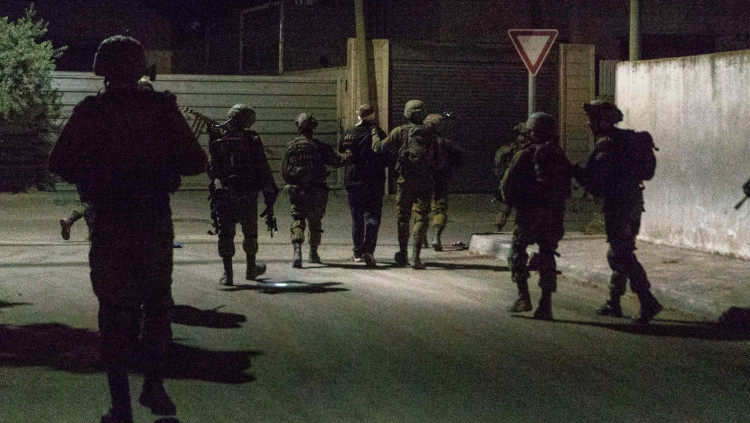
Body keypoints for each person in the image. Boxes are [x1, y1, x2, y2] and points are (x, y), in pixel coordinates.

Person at [48, 35, 207, 423]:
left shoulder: (90, 111)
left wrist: (97, 173)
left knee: (114, 313)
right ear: (139, 68)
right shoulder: (162, 109)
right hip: (152, 221)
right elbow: (195, 162)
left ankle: (120, 405)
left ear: (101, 69)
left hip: (110, 222)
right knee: (157, 306)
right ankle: (153, 385)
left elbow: (59, 163)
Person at [575, 100, 662, 324]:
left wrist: (575, 172)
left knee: (621, 253)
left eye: (592, 119)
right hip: (634, 201)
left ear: (603, 121)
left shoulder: (607, 146)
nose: (588, 124)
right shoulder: (628, 140)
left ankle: (647, 300)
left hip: (619, 204)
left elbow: (595, 182)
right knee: (621, 249)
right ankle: (614, 302)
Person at [501, 112, 572, 320]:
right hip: (553, 214)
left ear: (533, 131)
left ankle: (523, 297)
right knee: (547, 254)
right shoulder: (558, 154)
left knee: (517, 251)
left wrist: (512, 203)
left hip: (529, 213)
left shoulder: (525, 153)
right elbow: (567, 187)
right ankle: (545, 304)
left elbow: (507, 183)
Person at [207, 104, 278, 286]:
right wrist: (269, 192)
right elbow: (262, 167)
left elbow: (212, 170)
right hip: (248, 194)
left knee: (226, 233)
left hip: (225, 195)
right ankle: (250, 269)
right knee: (250, 233)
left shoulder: (219, 139)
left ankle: (228, 274)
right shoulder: (252, 139)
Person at [372, 100, 437, 269]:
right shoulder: (430, 133)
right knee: (421, 217)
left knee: (403, 217)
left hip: (405, 180)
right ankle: (416, 256)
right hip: (425, 180)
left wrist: (374, 133)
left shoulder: (399, 132)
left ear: (407, 114)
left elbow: (378, 148)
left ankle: (403, 254)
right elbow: (437, 158)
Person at [282, 113, 349, 268]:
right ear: (313, 128)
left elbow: (285, 173)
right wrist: (349, 153)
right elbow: (338, 161)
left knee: (298, 220)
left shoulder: (291, 146)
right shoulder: (320, 147)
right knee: (315, 222)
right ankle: (313, 253)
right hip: (317, 191)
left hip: (298, 191)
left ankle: (297, 251)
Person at [338, 104, 388, 267]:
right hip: (374, 180)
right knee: (372, 216)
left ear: (359, 116)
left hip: (354, 180)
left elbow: (342, 153)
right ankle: (369, 251)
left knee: (357, 217)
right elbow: (386, 156)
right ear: (373, 116)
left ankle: (357, 252)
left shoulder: (349, 133)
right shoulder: (379, 134)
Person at [423, 112, 463, 251]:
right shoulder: (445, 142)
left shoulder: (420, 141)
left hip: (423, 179)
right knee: (440, 208)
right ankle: (436, 237)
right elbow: (460, 156)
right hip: (441, 179)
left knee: (421, 209)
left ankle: (422, 238)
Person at [493, 122, 528, 232]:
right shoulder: (520, 149)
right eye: (520, 135)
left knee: (508, 205)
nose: (522, 138)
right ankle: (514, 229)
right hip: (518, 181)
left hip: (512, 181)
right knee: (517, 207)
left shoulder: (510, 149)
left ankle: (500, 226)